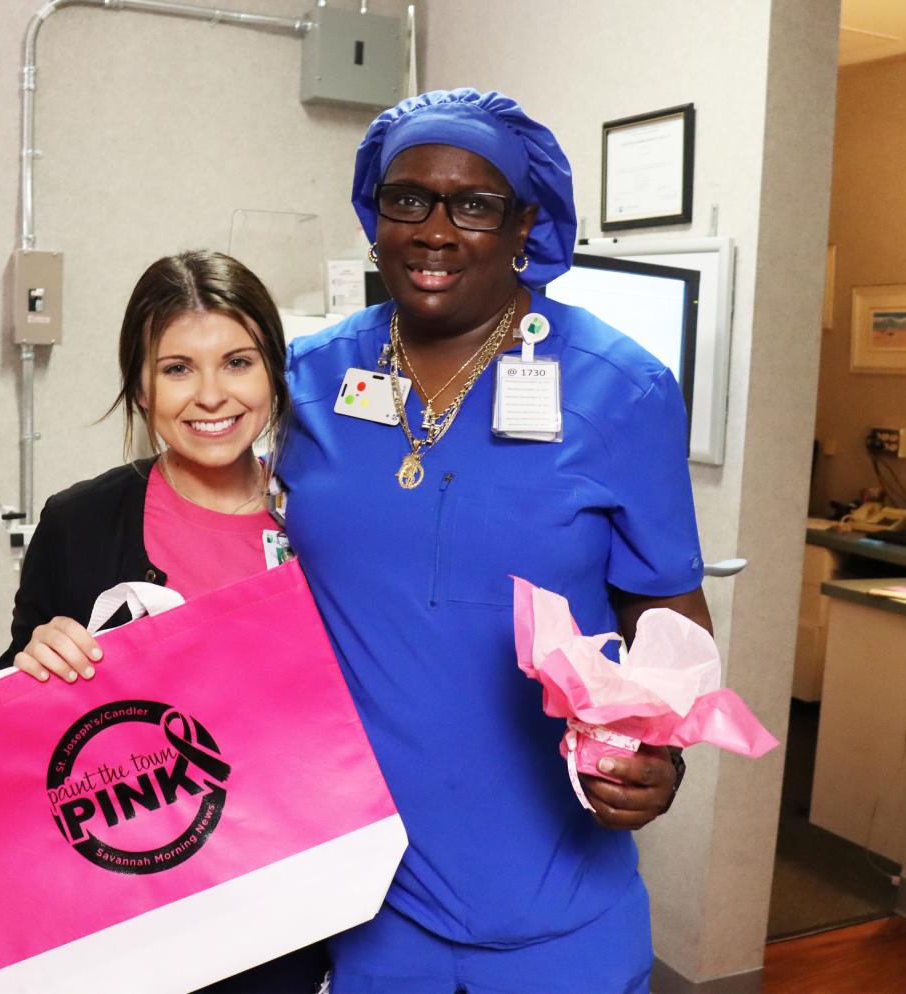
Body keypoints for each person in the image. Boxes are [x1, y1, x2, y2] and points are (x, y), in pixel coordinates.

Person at [278, 89, 712, 993]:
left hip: (557, 899)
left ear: (526, 225)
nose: (436, 230)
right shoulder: (311, 381)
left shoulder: (620, 391)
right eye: (409, 198)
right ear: (375, 214)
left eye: (474, 204)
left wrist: (659, 748)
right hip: (361, 897)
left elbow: (667, 603)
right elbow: (205, 542)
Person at [0, 249, 327, 994]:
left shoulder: (324, 516)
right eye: (177, 368)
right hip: (134, 897)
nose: (211, 395)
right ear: (140, 389)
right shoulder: (80, 523)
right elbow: (23, 728)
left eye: (237, 362)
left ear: (273, 372)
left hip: (298, 891)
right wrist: (37, 655)